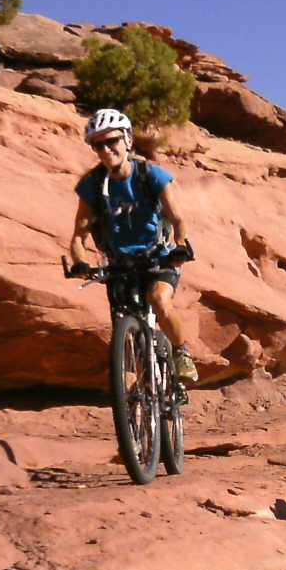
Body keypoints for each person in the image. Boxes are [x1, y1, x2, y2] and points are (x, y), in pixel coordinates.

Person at [68, 108, 199, 382]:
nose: (105, 150)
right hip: (120, 265)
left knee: (159, 300)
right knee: (123, 325)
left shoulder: (150, 175)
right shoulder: (92, 186)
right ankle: (143, 383)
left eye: (111, 141)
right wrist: (80, 262)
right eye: (97, 144)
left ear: (128, 140)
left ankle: (180, 352)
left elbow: (178, 218)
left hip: (158, 258)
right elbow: (78, 237)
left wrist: (181, 245)